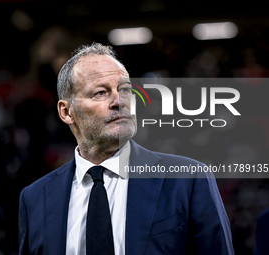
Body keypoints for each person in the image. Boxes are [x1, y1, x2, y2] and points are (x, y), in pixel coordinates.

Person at [18, 43, 234, 255]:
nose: (119, 101)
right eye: (101, 93)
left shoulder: (188, 180)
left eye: (125, 89)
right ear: (66, 112)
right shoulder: (35, 198)